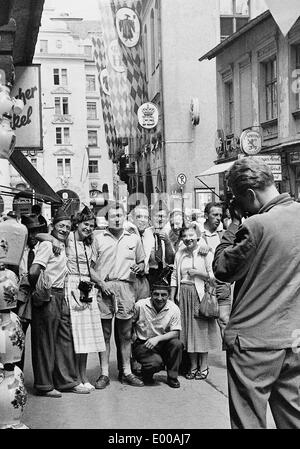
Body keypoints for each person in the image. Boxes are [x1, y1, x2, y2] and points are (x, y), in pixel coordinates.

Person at [213, 157, 300, 429]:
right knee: (293, 419)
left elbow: (223, 268)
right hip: (293, 338)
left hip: (252, 344)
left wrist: (233, 224)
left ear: (248, 194)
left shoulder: (255, 226)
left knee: (248, 422)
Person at [36, 206, 106, 390]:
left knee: (83, 336)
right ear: (78, 223)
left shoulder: (89, 243)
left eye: (91, 225)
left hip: (86, 287)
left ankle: (79, 377)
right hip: (70, 286)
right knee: (73, 335)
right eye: (85, 224)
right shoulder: (67, 238)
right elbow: (39, 236)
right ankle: (68, 378)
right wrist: (54, 240)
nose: (88, 228)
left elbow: (91, 268)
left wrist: (101, 284)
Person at [29, 208, 90, 397]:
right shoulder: (49, 245)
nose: (64, 229)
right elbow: (33, 271)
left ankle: (66, 382)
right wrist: (40, 290)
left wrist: (53, 239)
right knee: (45, 341)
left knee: (64, 340)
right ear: (52, 227)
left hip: (61, 295)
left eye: (67, 227)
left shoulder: (62, 244)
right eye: (60, 226)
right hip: (48, 295)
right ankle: (45, 385)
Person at [92, 202, 145, 388]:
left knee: (125, 333)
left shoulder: (133, 239)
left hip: (126, 287)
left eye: (119, 216)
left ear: (124, 218)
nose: (116, 219)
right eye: (112, 216)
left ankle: (127, 371)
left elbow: (142, 262)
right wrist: (101, 283)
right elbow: (89, 268)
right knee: (104, 333)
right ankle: (104, 373)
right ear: (106, 219)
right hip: (104, 286)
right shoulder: (98, 238)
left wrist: (140, 267)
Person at [170, 223, 220, 379]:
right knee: (186, 332)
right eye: (184, 236)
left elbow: (214, 276)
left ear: (198, 236)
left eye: (191, 235)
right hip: (183, 294)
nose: (188, 239)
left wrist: (198, 273)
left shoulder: (205, 252)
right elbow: (174, 275)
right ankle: (192, 366)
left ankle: (204, 366)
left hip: (199, 294)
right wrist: (173, 297)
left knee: (200, 331)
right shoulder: (180, 253)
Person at [132, 280, 183, 388]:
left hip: (162, 342)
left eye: (163, 295)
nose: (159, 298)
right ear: (151, 294)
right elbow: (129, 324)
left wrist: (158, 339)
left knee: (177, 344)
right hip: (143, 344)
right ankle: (146, 374)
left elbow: (176, 332)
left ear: (168, 295)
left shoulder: (174, 309)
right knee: (155, 363)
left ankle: (172, 377)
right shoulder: (140, 305)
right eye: (156, 294)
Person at [15, 214, 45, 371]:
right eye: (30, 232)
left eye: (36, 232)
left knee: (40, 341)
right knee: (18, 338)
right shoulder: (19, 249)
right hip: (22, 299)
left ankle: (42, 380)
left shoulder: (44, 247)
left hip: (40, 297)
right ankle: (16, 374)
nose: (33, 236)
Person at [148, 203, 175, 288]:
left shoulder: (173, 233)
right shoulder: (146, 233)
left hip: (167, 274)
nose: (160, 219)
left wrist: (167, 242)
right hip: (150, 274)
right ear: (152, 217)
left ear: (167, 218)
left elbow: (171, 260)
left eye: (163, 216)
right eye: (157, 216)